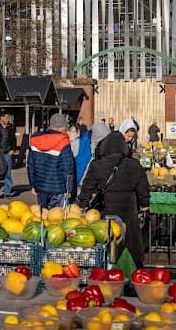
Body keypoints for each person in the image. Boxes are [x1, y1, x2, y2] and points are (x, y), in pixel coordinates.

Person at [78, 132, 150, 268]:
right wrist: (144, 205)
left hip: (107, 205)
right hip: (129, 206)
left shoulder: (96, 165)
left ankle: (107, 267)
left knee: (107, 236)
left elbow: (87, 188)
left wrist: (81, 205)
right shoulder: (134, 164)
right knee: (130, 240)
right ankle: (133, 270)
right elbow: (143, 187)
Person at [27, 113, 76, 209]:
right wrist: (69, 189)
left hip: (40, 188)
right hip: (58, 188)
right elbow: (68, 168)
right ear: (61, 127)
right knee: (57, 219)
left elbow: (30, 165)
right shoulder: (63, 142)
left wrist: (33, 184)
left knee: (44, 217)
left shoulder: (35, 140)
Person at [68, 123, 93, 200]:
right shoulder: (87, 142)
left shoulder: (76, 143)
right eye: (70, 131)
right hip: (81, 177)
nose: (71, 133)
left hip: (76, 177)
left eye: (74, 131)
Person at [0, 111, 16, 198]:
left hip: (7, 152)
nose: (8, 120)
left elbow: (13, 139)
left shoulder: (11, 127)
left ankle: (7, 192)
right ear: (1, 117)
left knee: (8, 173)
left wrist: (13, 149)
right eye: (7, 118)